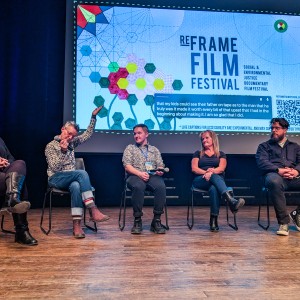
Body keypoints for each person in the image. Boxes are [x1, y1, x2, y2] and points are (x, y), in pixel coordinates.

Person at [45, 106, 109, 239]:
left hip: (71, 179)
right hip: (56, 178)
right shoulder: (51, 146)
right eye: (68, 133)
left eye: (73, 136)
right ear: (63, 128)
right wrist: (63, 152)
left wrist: (93, 117)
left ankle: (77, 225)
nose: (70, 137)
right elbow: (55, 168)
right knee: (82, 174)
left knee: (76, 185)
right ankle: (92, 208)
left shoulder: (72, 143)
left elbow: (87, 134)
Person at [191, 130, 245, 232]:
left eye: (206, 138)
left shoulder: (221, 154)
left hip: (215, 181)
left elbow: (221, 168)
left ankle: (213, 220)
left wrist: (211, 173)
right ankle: (231, 201)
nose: (204, 140)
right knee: (214, 177)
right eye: (202, 139)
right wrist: (206, 173)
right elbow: (194, 168)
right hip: (200, 180)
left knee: (214, 188)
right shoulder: (197, 153)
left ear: (213, 139)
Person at [256, 117, 300, 236]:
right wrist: (278, 170)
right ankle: (284, 223)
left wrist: (296, 171)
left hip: (292, 177)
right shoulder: (264, 146)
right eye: (272, 128)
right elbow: (262, 162)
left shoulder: (294, 146)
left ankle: (297, 214)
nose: (274, 130)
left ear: (285, 130)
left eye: (277, 128)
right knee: (274, 181)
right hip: (274, 176)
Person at [122, 124, 167, 234]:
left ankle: (156, 220)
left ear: (146, 134)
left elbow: (160, 164)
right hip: (135, 176)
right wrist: (140, 174)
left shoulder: (154, 150)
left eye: (139, 133)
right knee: (138, 186)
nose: (136, 136)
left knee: (161, 186)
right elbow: (127, 166)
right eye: (134, 134)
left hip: (151, 176)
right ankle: (137, 220)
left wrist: (160, 170)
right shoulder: (130, 148)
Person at [0, 137, 38, 245]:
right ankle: (22, 232)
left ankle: (12, 198)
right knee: (18, 182)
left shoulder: (0, 140)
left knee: (20, 163)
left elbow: (11, 158)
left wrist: (6, 162)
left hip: (4, 175)